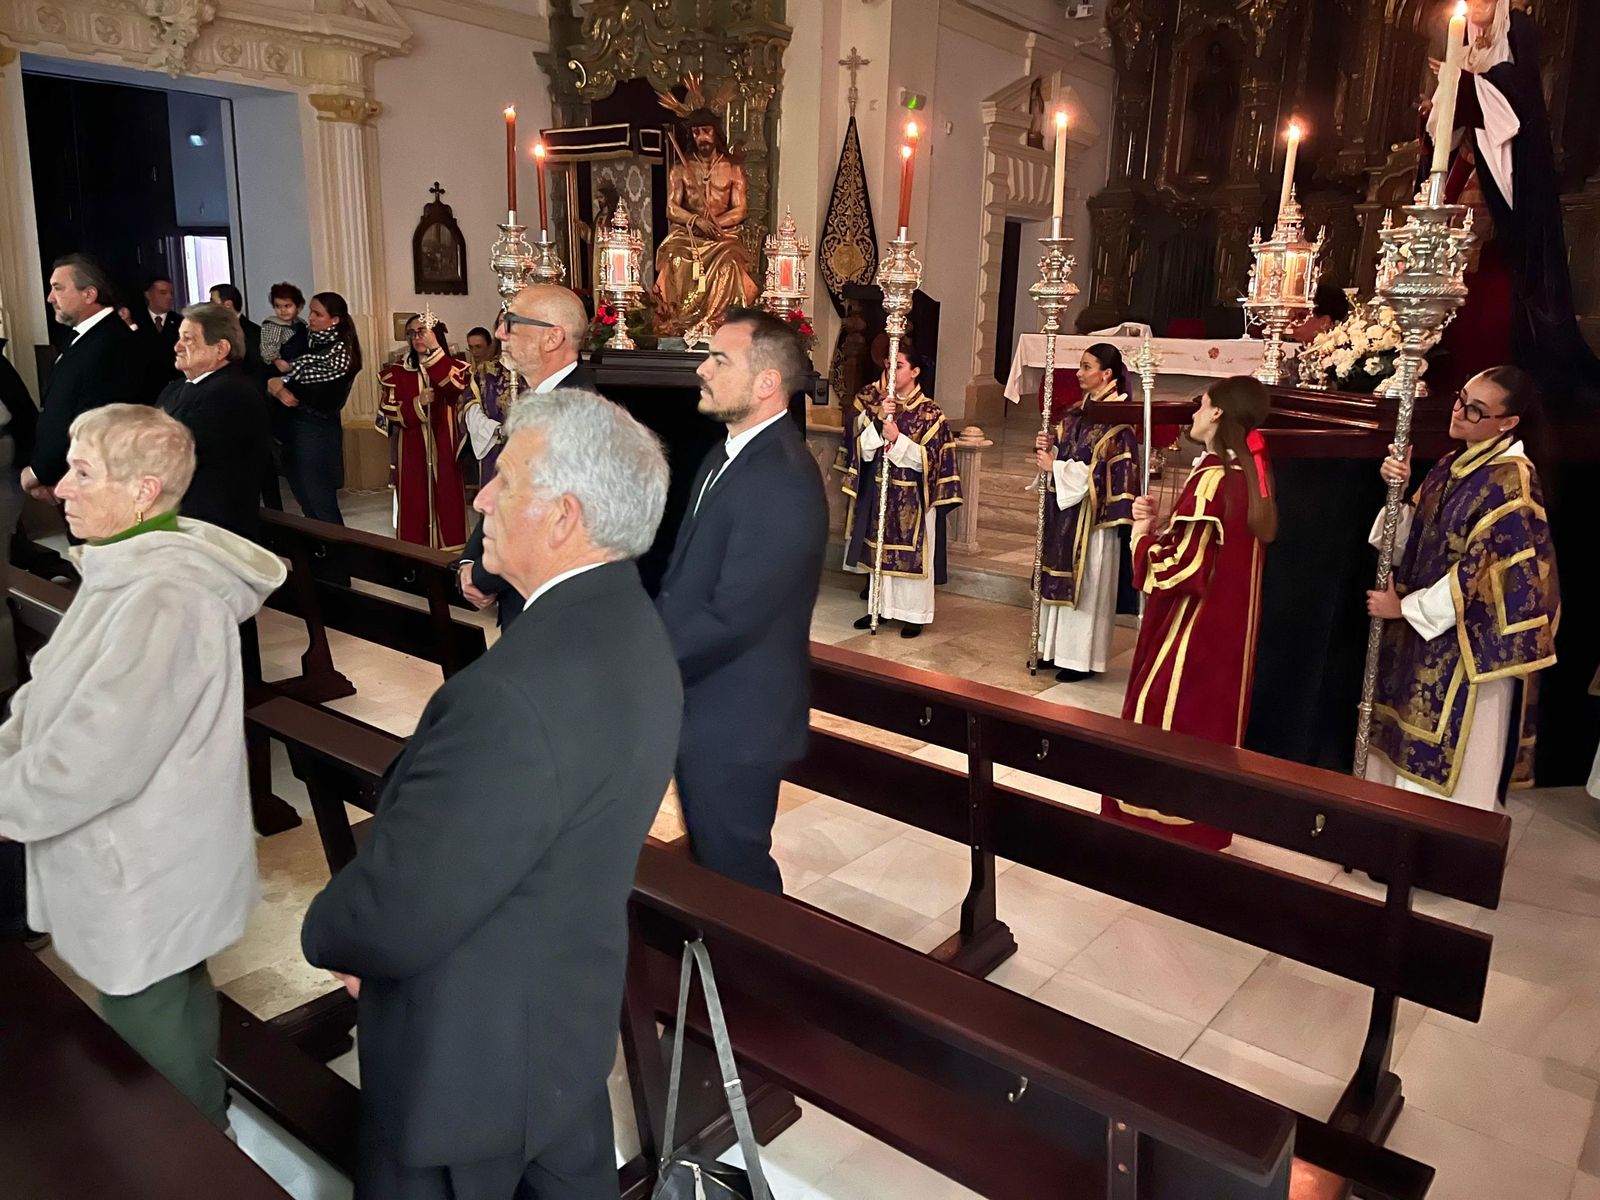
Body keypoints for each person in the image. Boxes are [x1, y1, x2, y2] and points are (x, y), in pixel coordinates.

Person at [301, 388, 680, 1200]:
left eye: (504, 480)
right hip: (554, 1030)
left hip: (463, 1070)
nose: (481, 498)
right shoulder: (632, 629)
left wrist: (334, 935)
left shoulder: (515, 696)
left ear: (563, 517)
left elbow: (398, 911)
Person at [0, 403, 285, 1130]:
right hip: (142, 863)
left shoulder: (164, 597)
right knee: (173, 1005)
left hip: (144, 870)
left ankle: (195, 1165)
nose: (61, 487)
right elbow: (47, 698)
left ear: (143, 491)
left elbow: (96, 756)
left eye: (82, 471)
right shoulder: (128, 569)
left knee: (152, 1048)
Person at [656, 308, 828, 893]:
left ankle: (761, 978)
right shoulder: (725, 453)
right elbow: (688, 578)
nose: (701, 369)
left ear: (766, 383)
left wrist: (637, 653)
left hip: (738, 716)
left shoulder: (781, 477)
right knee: (712, 855)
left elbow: (734, 614)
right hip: (704, 701)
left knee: (739, 874)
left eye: (718, 359)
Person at [1365, 366, 1559, 809]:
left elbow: (1484, 570)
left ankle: (1437, 856)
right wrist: (1396, 491)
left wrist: (1405, 609)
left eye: (1476, 410)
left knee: (1455, 758)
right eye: (1460, 399)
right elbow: (1410, 542)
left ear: (1508, 422)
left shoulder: (1512, 479)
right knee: (1397, 741)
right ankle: (1386, 839)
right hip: (1425, 625)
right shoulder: (1448, 466)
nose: (1459, 413)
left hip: (1471, 645)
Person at [1102, 376, 1277, 851]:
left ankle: (1159, 820)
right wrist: (1161, 523)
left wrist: (1141, 536)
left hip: (1193, 627)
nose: (1195, 413)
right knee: (1210, 720)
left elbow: (1182, 567)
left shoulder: (1213, 477)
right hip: (1230, 628)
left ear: (1219, 412)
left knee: (1166, 711)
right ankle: (1204, 818)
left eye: (1201, 405)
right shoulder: (1251, 471)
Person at [1420, 0, 1599, 403]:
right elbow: (1452, 121)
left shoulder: (1516, 29)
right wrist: (1438, 105)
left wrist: (1466, 85)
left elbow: (1518, 99)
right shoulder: (1463, 38)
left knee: (1496, 285)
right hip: (1468, 163)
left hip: (1506, 168)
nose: (1478, 5)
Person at [457, 284, 597, 626]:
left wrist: (483, 576)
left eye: (512, 322)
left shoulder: (575, 409)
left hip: (547, 608)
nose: (500, 333)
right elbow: (502, 492)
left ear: (552, 338)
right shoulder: (540, 399)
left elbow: (540, 520)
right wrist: (468, 562)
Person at [836, 341, 962, 638]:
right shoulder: (880, 407)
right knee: (879, 550)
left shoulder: (930, 412)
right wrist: (879, 424)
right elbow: (862, 450)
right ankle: (878, 609)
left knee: (911, 555)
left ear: (915, 372)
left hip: (913, 498)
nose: (891, 371)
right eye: (889, 365)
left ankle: (913, 615)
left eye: (900, 366)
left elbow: (935, 460)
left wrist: (899, 441)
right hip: (881, 489)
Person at [1033, 344, 1140, 682]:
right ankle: (1051, 649)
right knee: (1055, 576)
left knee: (1088, 586)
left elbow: (1103, 473)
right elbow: (1068, 455)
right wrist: (1050, 451)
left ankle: (1079, 658)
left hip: (1093, 518)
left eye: (1086, 367)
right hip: (1065, 509)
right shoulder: (1078, 414)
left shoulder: (1119, 422)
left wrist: (1057, 467)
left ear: (1107, 374)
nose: (1078, 373)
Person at [22, 254, 142, 505]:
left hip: (97, 486)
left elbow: (91, 421)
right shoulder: (86, 337)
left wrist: (41, 472)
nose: (50, 298)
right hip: (74, 480)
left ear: (89, 294)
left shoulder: (109, 343)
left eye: (58, 288)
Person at [157, 303, 272, 542]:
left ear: (220, 348)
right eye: (179, 337)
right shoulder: (176, 388)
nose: (177, 346)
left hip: (213, 527)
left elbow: (173, 449)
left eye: (188, 339)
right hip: (180, 520)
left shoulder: (232, 392)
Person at [654, 106, 759, 334]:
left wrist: (715, 224)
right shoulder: (681, 168)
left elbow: (740, 209)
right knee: (676, 259)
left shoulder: (733, 168)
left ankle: (718, 324)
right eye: (695, 132)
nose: (700, 137)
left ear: (716, 133)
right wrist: (696, 221)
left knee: (728, 265)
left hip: (721, 237)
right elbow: (672, 208)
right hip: (688, 236)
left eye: (705, 130)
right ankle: (681, 322)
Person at [267, 291, 361, 526]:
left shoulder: (342, 351)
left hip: (317, 427)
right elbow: (274, 368)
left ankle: (340, 555)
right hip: (292, 425)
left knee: (319, 498)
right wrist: (277, 383)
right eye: (310, 311)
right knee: (303, 496)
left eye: (317, 314)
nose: (310, 318)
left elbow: (308, 383)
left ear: (335, 320)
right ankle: (319, 553)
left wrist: (283, 383)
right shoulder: (304, 337)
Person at [378, 314, 470, 550]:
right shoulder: (396, 372)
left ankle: (451, 552)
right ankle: (415, 554)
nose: (417, 337)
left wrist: (434, 353)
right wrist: (417, 403)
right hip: (411, 448)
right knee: (415, 500)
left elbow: (454, 387)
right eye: (412, 333)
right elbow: (388, 409)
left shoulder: (455, 367)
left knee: (447, 498)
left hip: (444, 444)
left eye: (423, 331)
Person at [460, 324, 513, 484]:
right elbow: (471, 407)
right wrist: (494, 429)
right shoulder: (485, 372)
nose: (474, 352)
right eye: (471, 348)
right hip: (494, 443)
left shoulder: (536, 369)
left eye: (478, 347)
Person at [135, 274, 182, 402]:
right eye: (163, 293)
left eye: (170, 293)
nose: (169, 297)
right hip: (141, 391)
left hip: (171, 391)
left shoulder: (180, 322)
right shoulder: (135, 320)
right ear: (148, 295)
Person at [207, 283, 263, 372]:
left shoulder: (252, 332)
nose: (209, 306)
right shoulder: (215, 329)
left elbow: (256, 367)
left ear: (228, 304)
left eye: (212, 302)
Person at [261, 281, 308, 373]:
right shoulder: (272, 325)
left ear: (299, 307)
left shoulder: (301, 324)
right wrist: (276, 360)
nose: (283, 310)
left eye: (287, 306)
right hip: (279, 369)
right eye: (278, 306)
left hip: (299, 367)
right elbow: (268, 346)